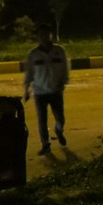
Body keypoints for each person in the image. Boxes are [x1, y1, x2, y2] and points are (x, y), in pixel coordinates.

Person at [23, 22, 70, 156]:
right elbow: (29, 73)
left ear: (50, 34)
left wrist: (63, 82)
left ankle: (59, 130)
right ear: (38, 36)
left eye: (46, 33)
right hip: (40, 92)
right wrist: (26, 90)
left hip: (56, 90)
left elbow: (65, 67)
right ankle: (45, 144)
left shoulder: (59, 51)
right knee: (42, 119)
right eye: (41, 34)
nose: (43, 36)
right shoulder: (33, 54)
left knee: (60, 117)